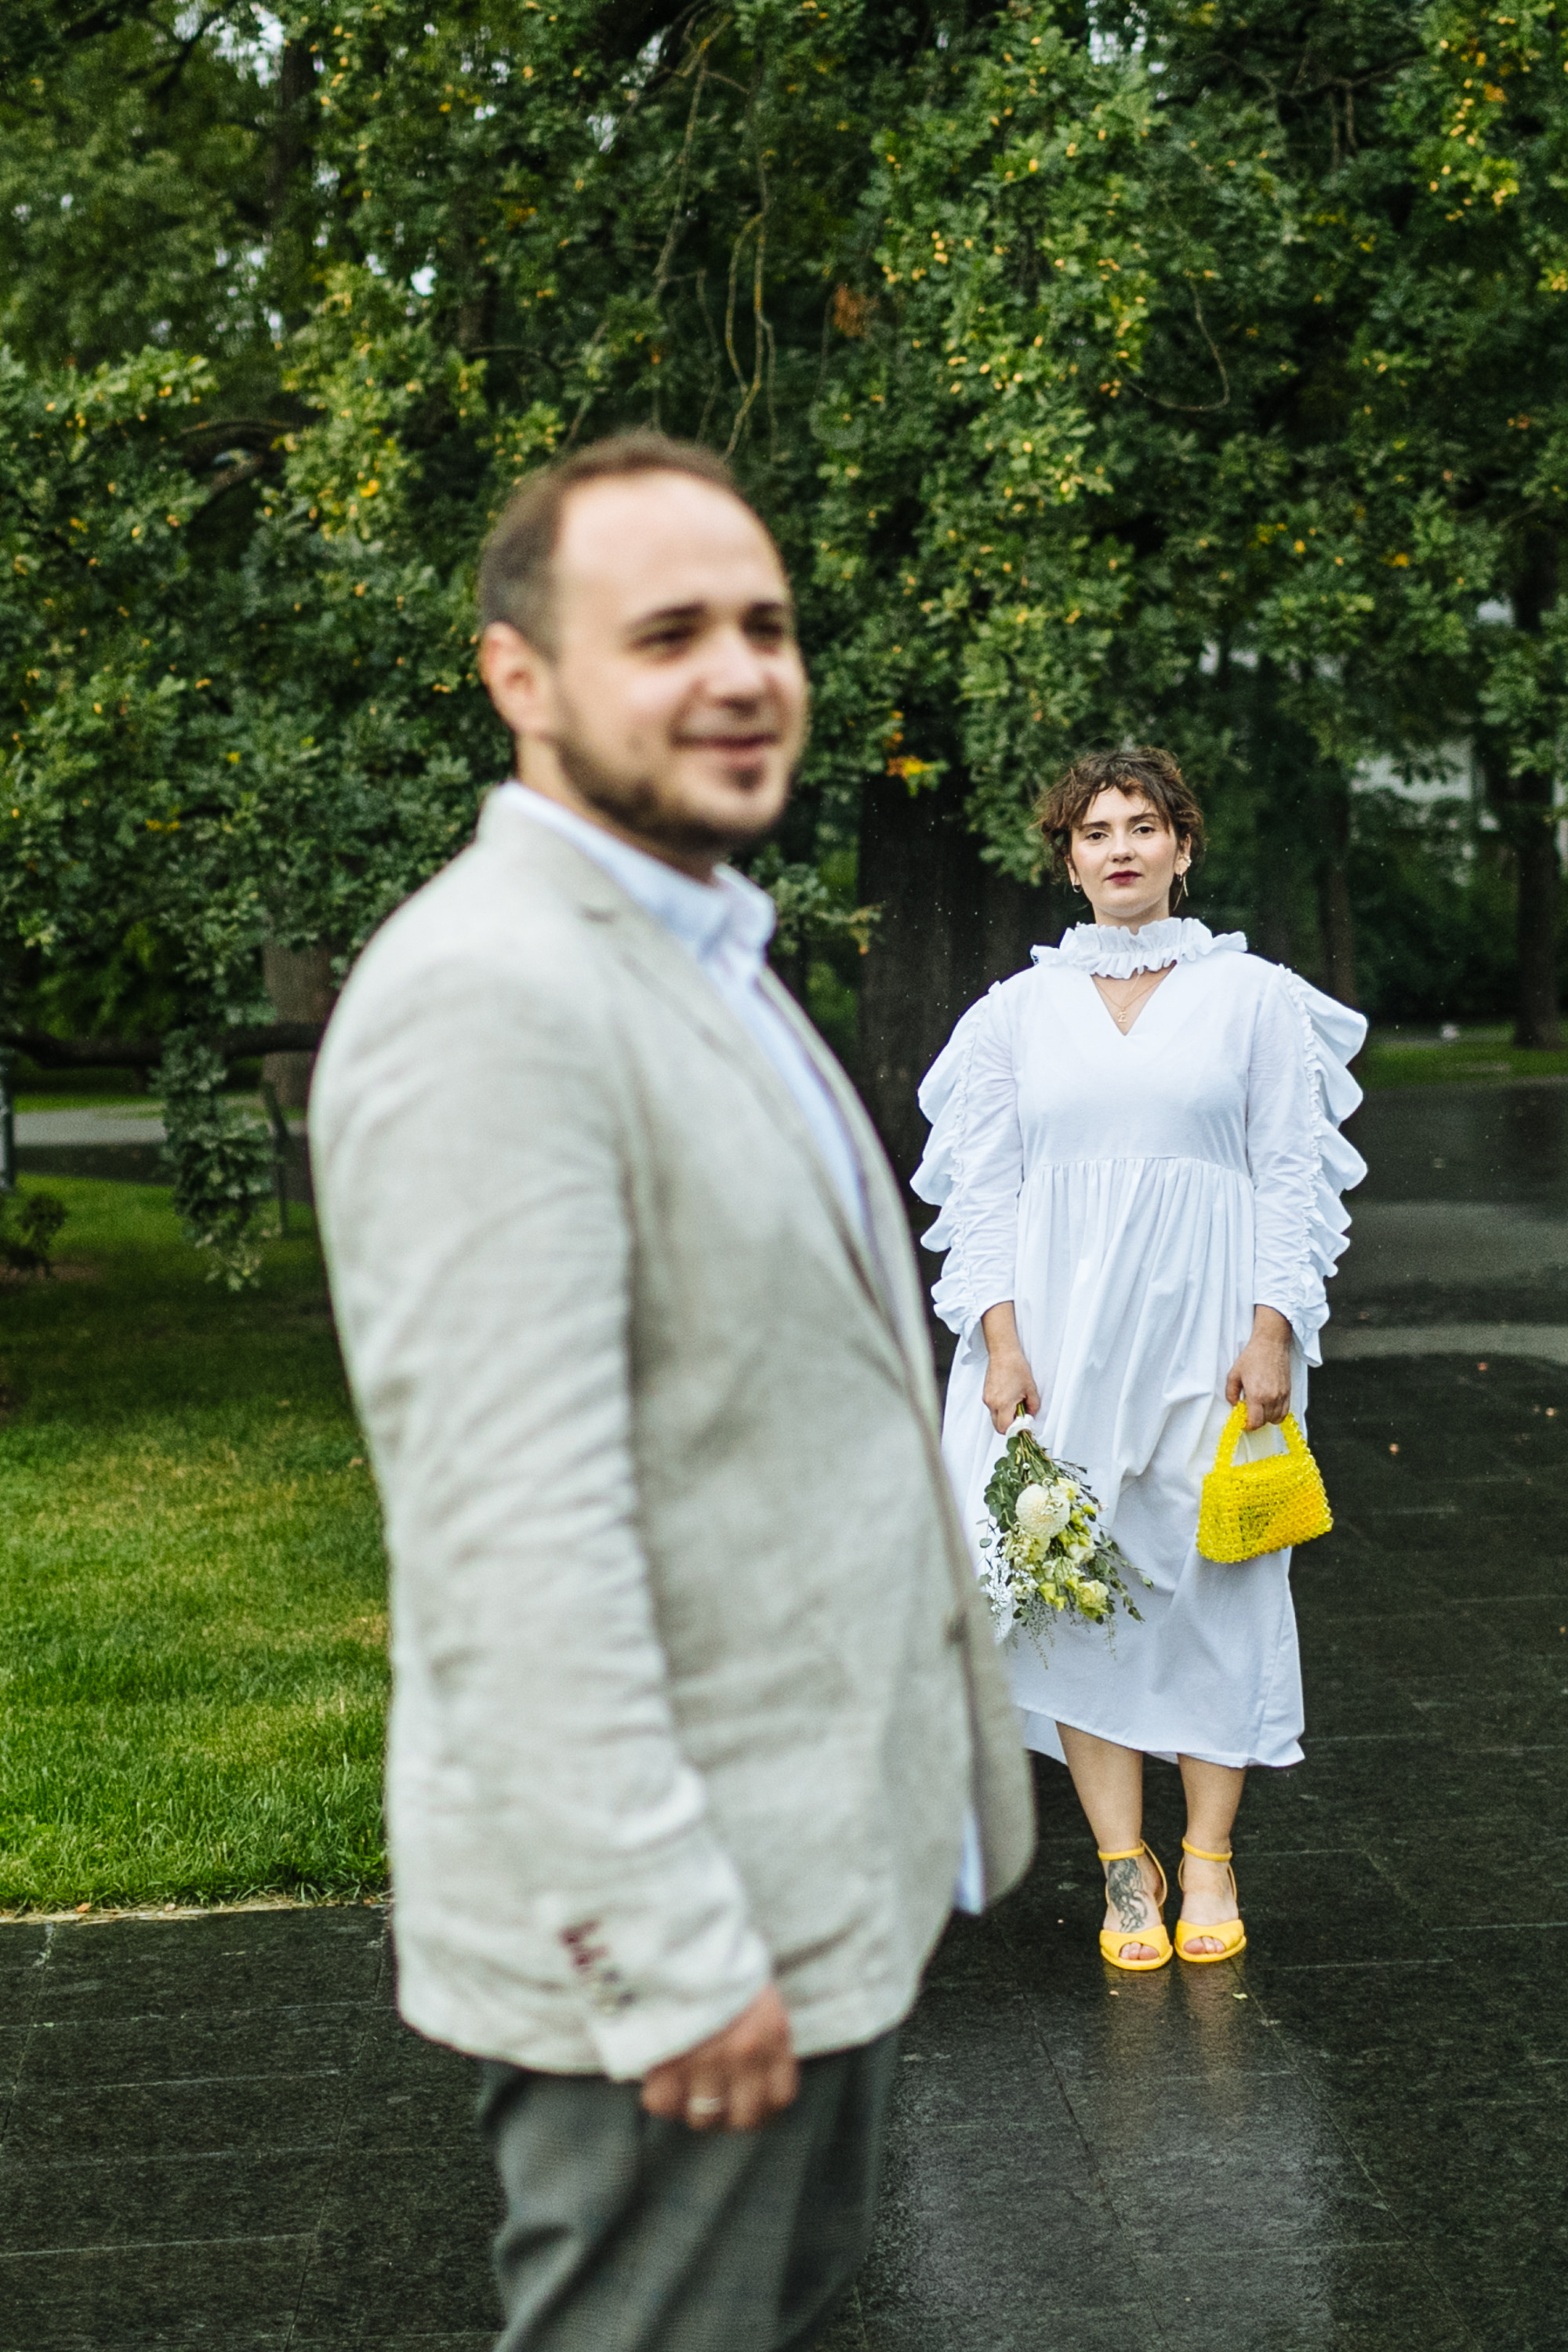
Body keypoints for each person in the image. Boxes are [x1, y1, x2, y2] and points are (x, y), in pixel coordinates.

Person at [310, 432, 1033, 2351]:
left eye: (767, 624)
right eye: (668, 633)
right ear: (520, 679)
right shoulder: (493, 997)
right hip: (682, 1941)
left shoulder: (695, 949)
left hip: (815, 1881)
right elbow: (506, 1544)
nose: (739, 671)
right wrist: (673, 1952)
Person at [913, 746, 1365, 1971]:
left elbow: (1288, 1178)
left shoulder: (1256, 1000)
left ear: (1181, 846)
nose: (1120, 848)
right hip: (1053, 1351)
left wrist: (1273, 1332)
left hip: (1214, 1342)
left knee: (1215, 1585)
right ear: (1067, 859)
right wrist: (1000, 1344)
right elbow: (985, 1195)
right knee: (1067, 1592)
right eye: (1095, 831)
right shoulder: (1014, 1015)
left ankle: (1209, 1854)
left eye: (1143, 826)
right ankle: (1125, 1865)